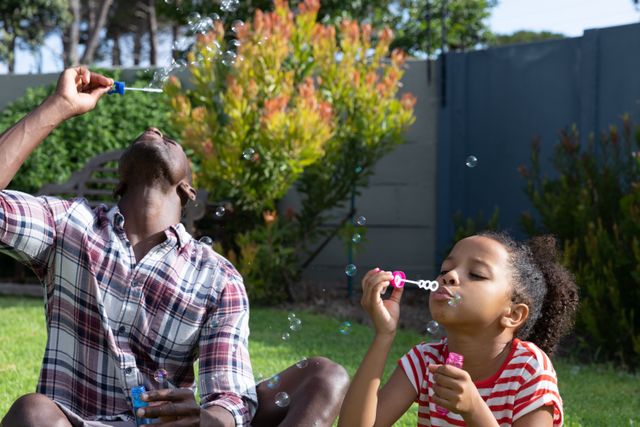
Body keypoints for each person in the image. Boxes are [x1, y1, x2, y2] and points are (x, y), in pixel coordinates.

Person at [0, 67, 349, 427]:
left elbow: (230, 397)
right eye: (145, 135)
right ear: (120, 182)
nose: (155, 131)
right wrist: (56, 107)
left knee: (324, 376)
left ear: (188, 190)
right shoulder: (70, 225)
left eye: (168, 138)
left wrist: (206, 419)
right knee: (32, 412)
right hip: (76, 421)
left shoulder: (216, 277)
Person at [338, 232, 579, 426]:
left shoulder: (528, 369)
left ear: (513, 314)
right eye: (444, 270)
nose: (449, 276)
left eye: (476, 274)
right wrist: (384, 334)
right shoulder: (426, 361)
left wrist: (474, 410)